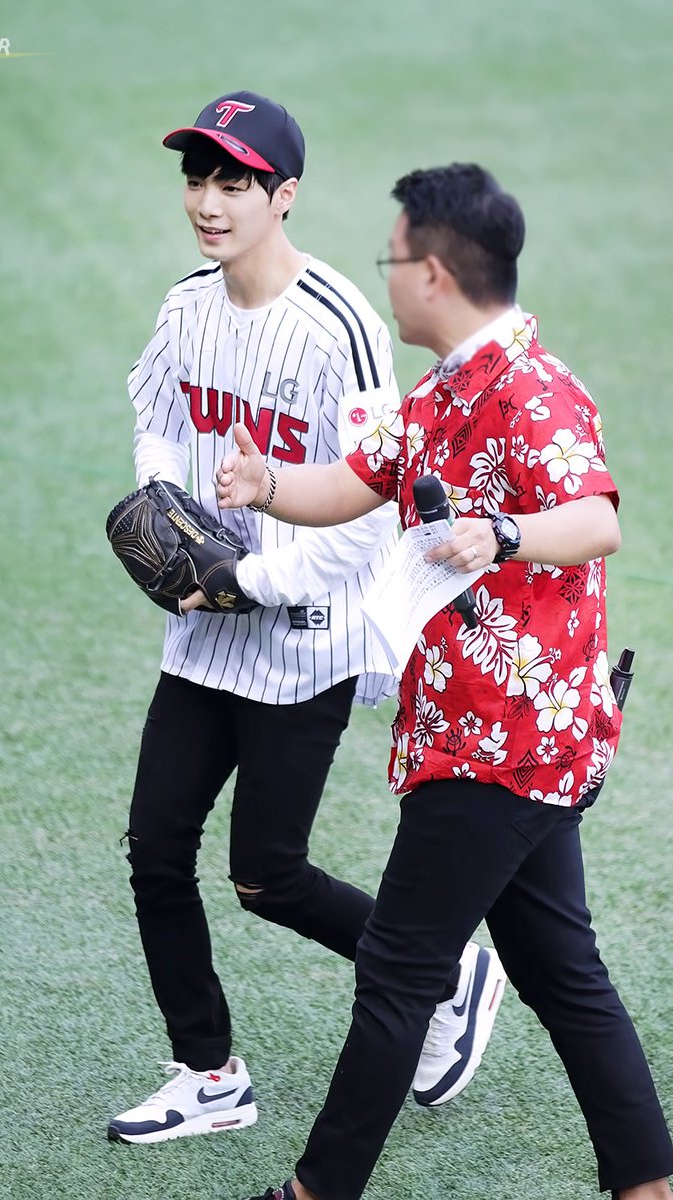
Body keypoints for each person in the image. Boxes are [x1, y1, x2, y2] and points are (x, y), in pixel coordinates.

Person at [215, 164, 673, 1199]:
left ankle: (313, 1192)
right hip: (507, 737)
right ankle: (647, 1185)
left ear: (431, 272)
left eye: (390, 258)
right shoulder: (439, 393)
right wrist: (266, 484)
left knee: (397, 972)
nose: (385, 276)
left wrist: (500, 533)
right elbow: (357, 480)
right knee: (560, 972)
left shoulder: (534, 391)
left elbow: (594, 517)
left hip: (499, 739)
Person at [108, 99, 506, 1146]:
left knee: (266, 875)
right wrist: (168, 508)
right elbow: (156, 419)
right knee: (154, 847)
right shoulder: (185, 307)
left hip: (306, 638)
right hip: (204, 631)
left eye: (234, 184)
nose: (209, 203)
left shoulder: (339, 323)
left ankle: (446, 976)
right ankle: (208, 1074)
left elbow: (372, 506)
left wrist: (246, 578)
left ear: (282, 195)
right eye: (198, 180)